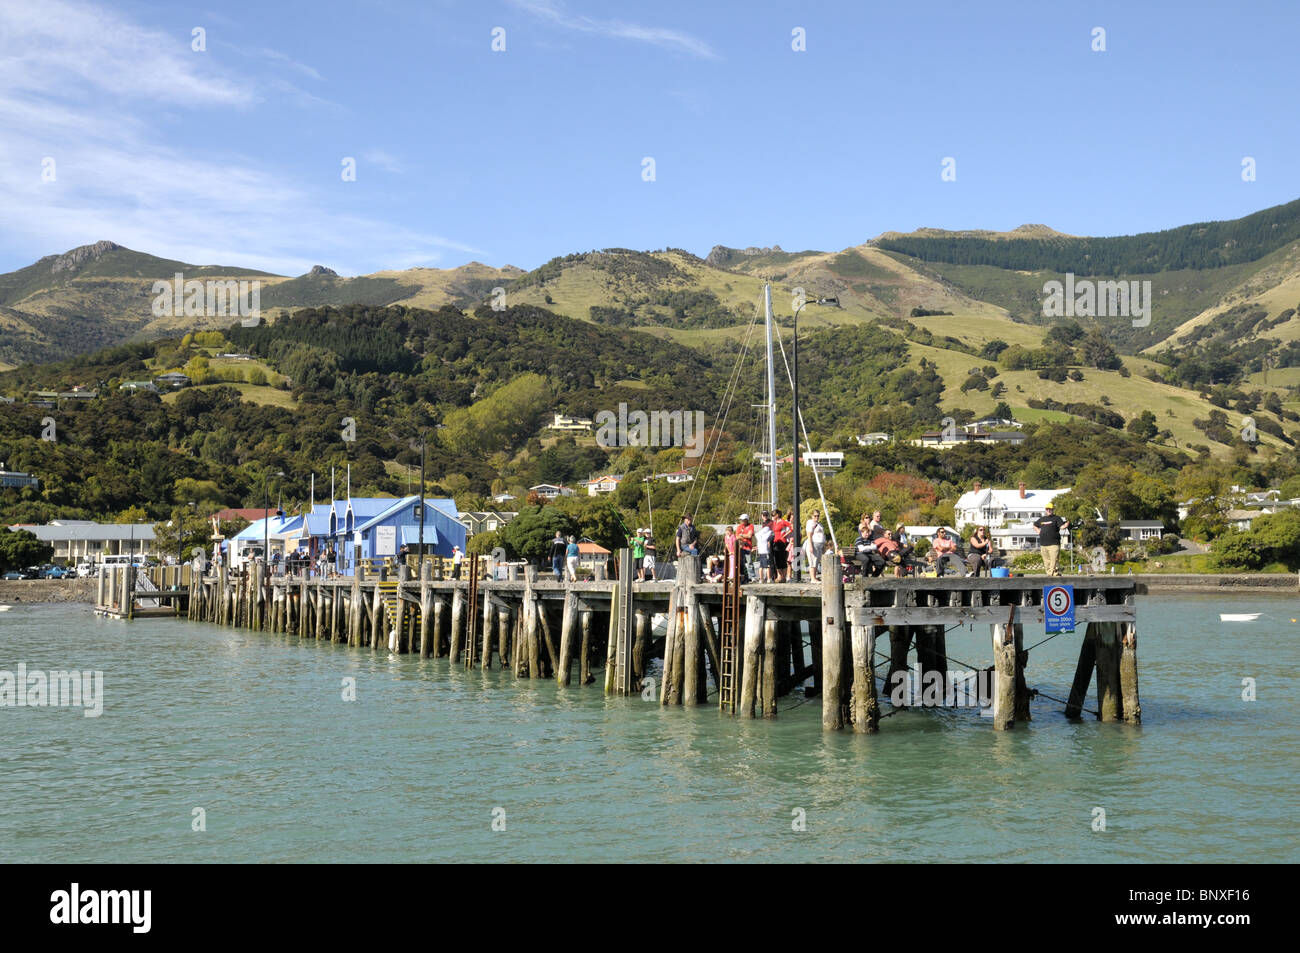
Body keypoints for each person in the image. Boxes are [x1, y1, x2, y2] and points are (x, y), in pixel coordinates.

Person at [1034, 504, 1069, 575]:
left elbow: (1061, 526)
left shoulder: (1057, 518)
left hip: (1054, 544)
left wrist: (1065, 525)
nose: (1049, 510)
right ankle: (1049, 575)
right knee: (1046, 562)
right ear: (1045, 510)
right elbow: (1035, 525)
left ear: (1053, 510)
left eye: (1050, 509)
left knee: (1054, 561)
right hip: (1043, 544)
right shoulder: (1042, 519)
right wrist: (1038, 531)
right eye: (1047, 509)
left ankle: (1055, 575)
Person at [770, 508, 791, 581]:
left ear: (777, 515)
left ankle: (783, 577)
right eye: (772, 515)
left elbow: (792, 527)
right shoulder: (775, 523)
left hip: (781, 542)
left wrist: (785, 535)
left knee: (782, 559)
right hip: (776, 542)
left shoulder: (782, 522)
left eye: (774, 515)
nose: (772, 516)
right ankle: (780, 576)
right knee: (776, 559)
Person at [805, 510, 826, 582]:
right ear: (812, 516)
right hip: (813, 543)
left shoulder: (819, 524)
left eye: (818, 516)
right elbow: (809, 535)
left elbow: (822, 535)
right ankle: (812, 578)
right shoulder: (810, 523)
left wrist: (823, 546)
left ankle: (815, 577)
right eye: (815, 516)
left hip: (820, 545)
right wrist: (810, 545)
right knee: (812, 562)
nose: (816, 517)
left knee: (816, 562)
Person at [735, 514, 755, 582]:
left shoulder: (750, 526)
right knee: (741, 563)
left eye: (743, 520)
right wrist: (744, 536)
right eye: (741, 520)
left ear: (746, 520)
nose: (742, 521)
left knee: (749, 562)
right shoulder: (739, 527)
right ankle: (744, 576)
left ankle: (752, 576)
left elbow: (749, 536)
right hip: (741, 547)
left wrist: (742, 535)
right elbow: (737, 536)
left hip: (748, 547)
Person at [755, 512, 774, 583]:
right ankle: (769, 578)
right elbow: (771, 533)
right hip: (766, 551)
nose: (765, 516)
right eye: (764, 515)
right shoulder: (766, 534)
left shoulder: (758, 535)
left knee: (761, 566)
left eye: (766, 515)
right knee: (768, 566)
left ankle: (761, 579)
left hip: (761, 551)